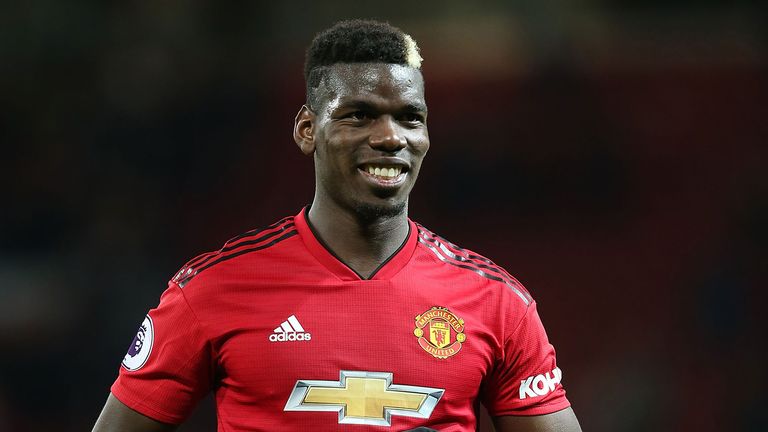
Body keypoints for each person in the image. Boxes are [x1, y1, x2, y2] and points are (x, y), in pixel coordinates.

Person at [93, 19, 582, 432]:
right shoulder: (212, 289)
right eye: (359, 115)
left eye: (410, 117)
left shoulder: (497, 303)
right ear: (308, 130)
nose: (390, 137)